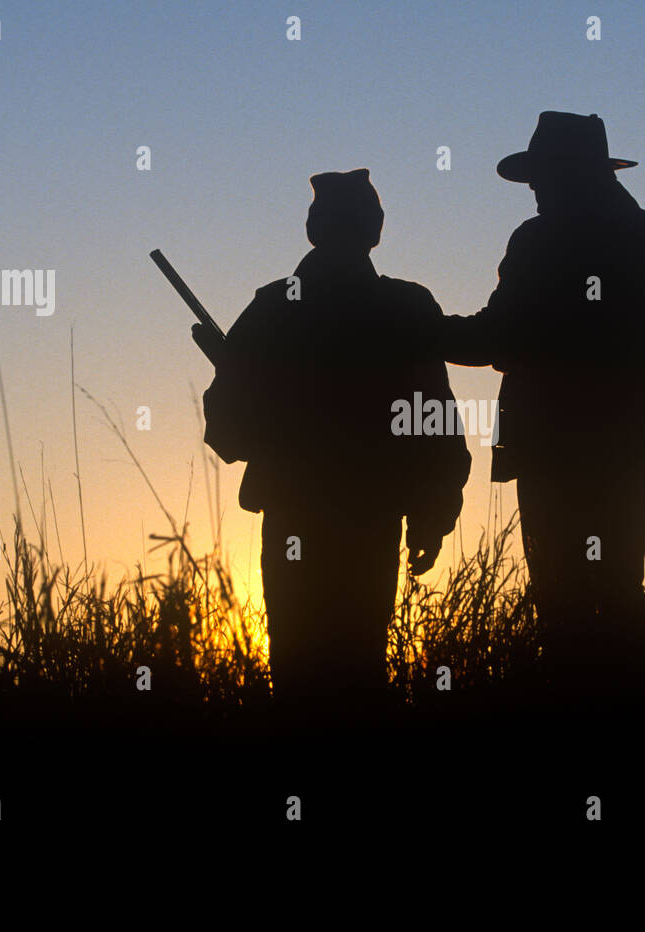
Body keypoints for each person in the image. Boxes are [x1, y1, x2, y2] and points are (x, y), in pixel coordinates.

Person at [437, 112, 645, 693]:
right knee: (614, 586)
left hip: (554, 450)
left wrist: (423, 331)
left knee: (563, 598)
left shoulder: (541, 241)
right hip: (637, 451)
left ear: (569, 175)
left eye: (542, 179)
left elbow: (495, 336)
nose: (533, 192)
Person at [197, 168, 471, 709]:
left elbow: (227, 431)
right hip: (373, 515)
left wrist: (237, 375)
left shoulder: (273, 306)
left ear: (312, 229)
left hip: (294, 516)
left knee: (297, 670)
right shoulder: (407, 305)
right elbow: (434, 420)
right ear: (375, 231)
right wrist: (434, 516)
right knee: (361, 667)